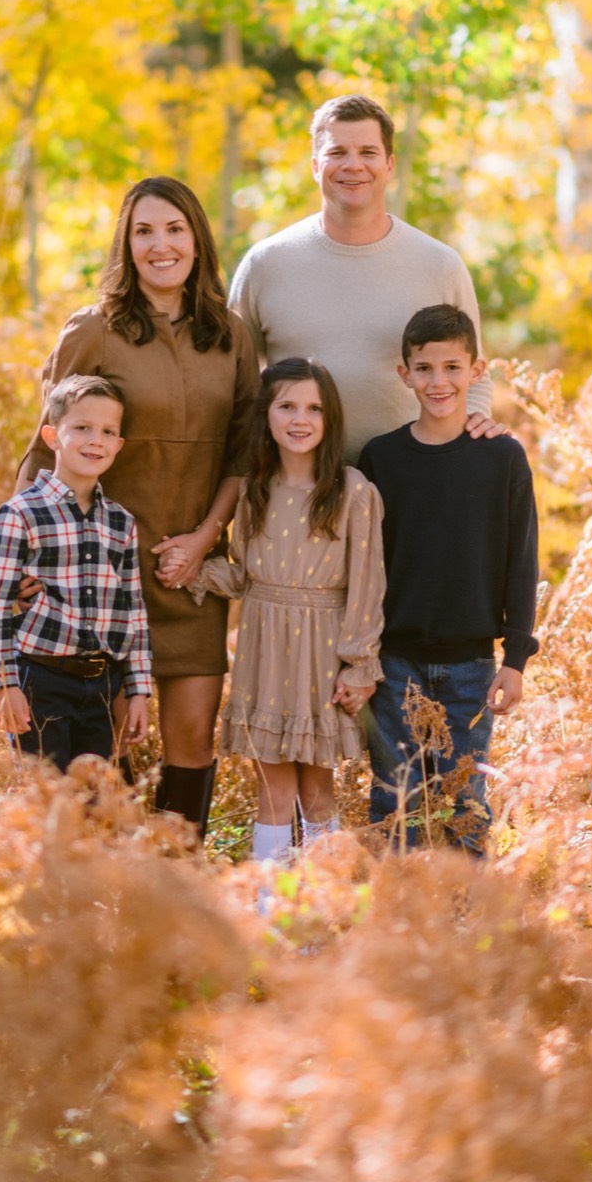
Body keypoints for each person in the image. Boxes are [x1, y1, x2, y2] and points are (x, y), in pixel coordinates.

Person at [16, 177, 260, 833]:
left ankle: (177, 875)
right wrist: (24, 558)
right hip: (99, 575)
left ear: (197, 240)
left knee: (192, 740)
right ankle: (104, 880)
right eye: (144, 231)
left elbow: (243, 453)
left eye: (174, 229)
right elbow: (45, 450)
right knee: (103, 748)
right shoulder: (93, 330)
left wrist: (204, 539)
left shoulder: (231, 335)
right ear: (126, 245)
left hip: (188, 573)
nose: (161, 245)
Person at [230, 93, 500, 463]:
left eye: (368, 152)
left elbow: (474, 377)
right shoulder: (266, 264)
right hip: (297, 482)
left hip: (409, 481)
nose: (353, 165)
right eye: (337, 152)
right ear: (315, 165)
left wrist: (473, 432)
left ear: (389, 165)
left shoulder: (439, 264)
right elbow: (237, 382)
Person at [357, 304, 538, 852]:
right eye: (425, 368)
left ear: (476, 372)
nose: (439, 381)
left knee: (465, 805)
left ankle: (470, 908)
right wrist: (360, 655)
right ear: (404, 374)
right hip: (394, 665)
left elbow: (522, 561)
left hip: (471, 667)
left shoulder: (502, 458)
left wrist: (515, 658)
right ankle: (398, 905)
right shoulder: (381, 458)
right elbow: (363, 568)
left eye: (453, 367)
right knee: (396, 802)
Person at [188, 358, 385, 863]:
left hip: (322, 656)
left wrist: (360, 665)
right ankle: (270, 903)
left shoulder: (352, 491)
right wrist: (193, 569)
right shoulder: (254, 490)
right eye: (287, 406)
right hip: (264, 653)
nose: (301, 419)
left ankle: (322, 899)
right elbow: (246, 576)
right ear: (266, 415)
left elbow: (368, 585)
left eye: (314, 408)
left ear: (330, 417)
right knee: (272, 787)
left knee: (317, 787)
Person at [0, 374, 152, 773]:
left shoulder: (121, 522)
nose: (96, 440)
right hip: (41, 679)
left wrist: (139, 690)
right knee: (45, 794)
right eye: (82, 428)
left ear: (118, 444)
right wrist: (4, 684)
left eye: (108, 431)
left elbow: (134, 610)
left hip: (102, 685)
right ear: (52, 436)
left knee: (93, 794)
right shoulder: (20, 513)